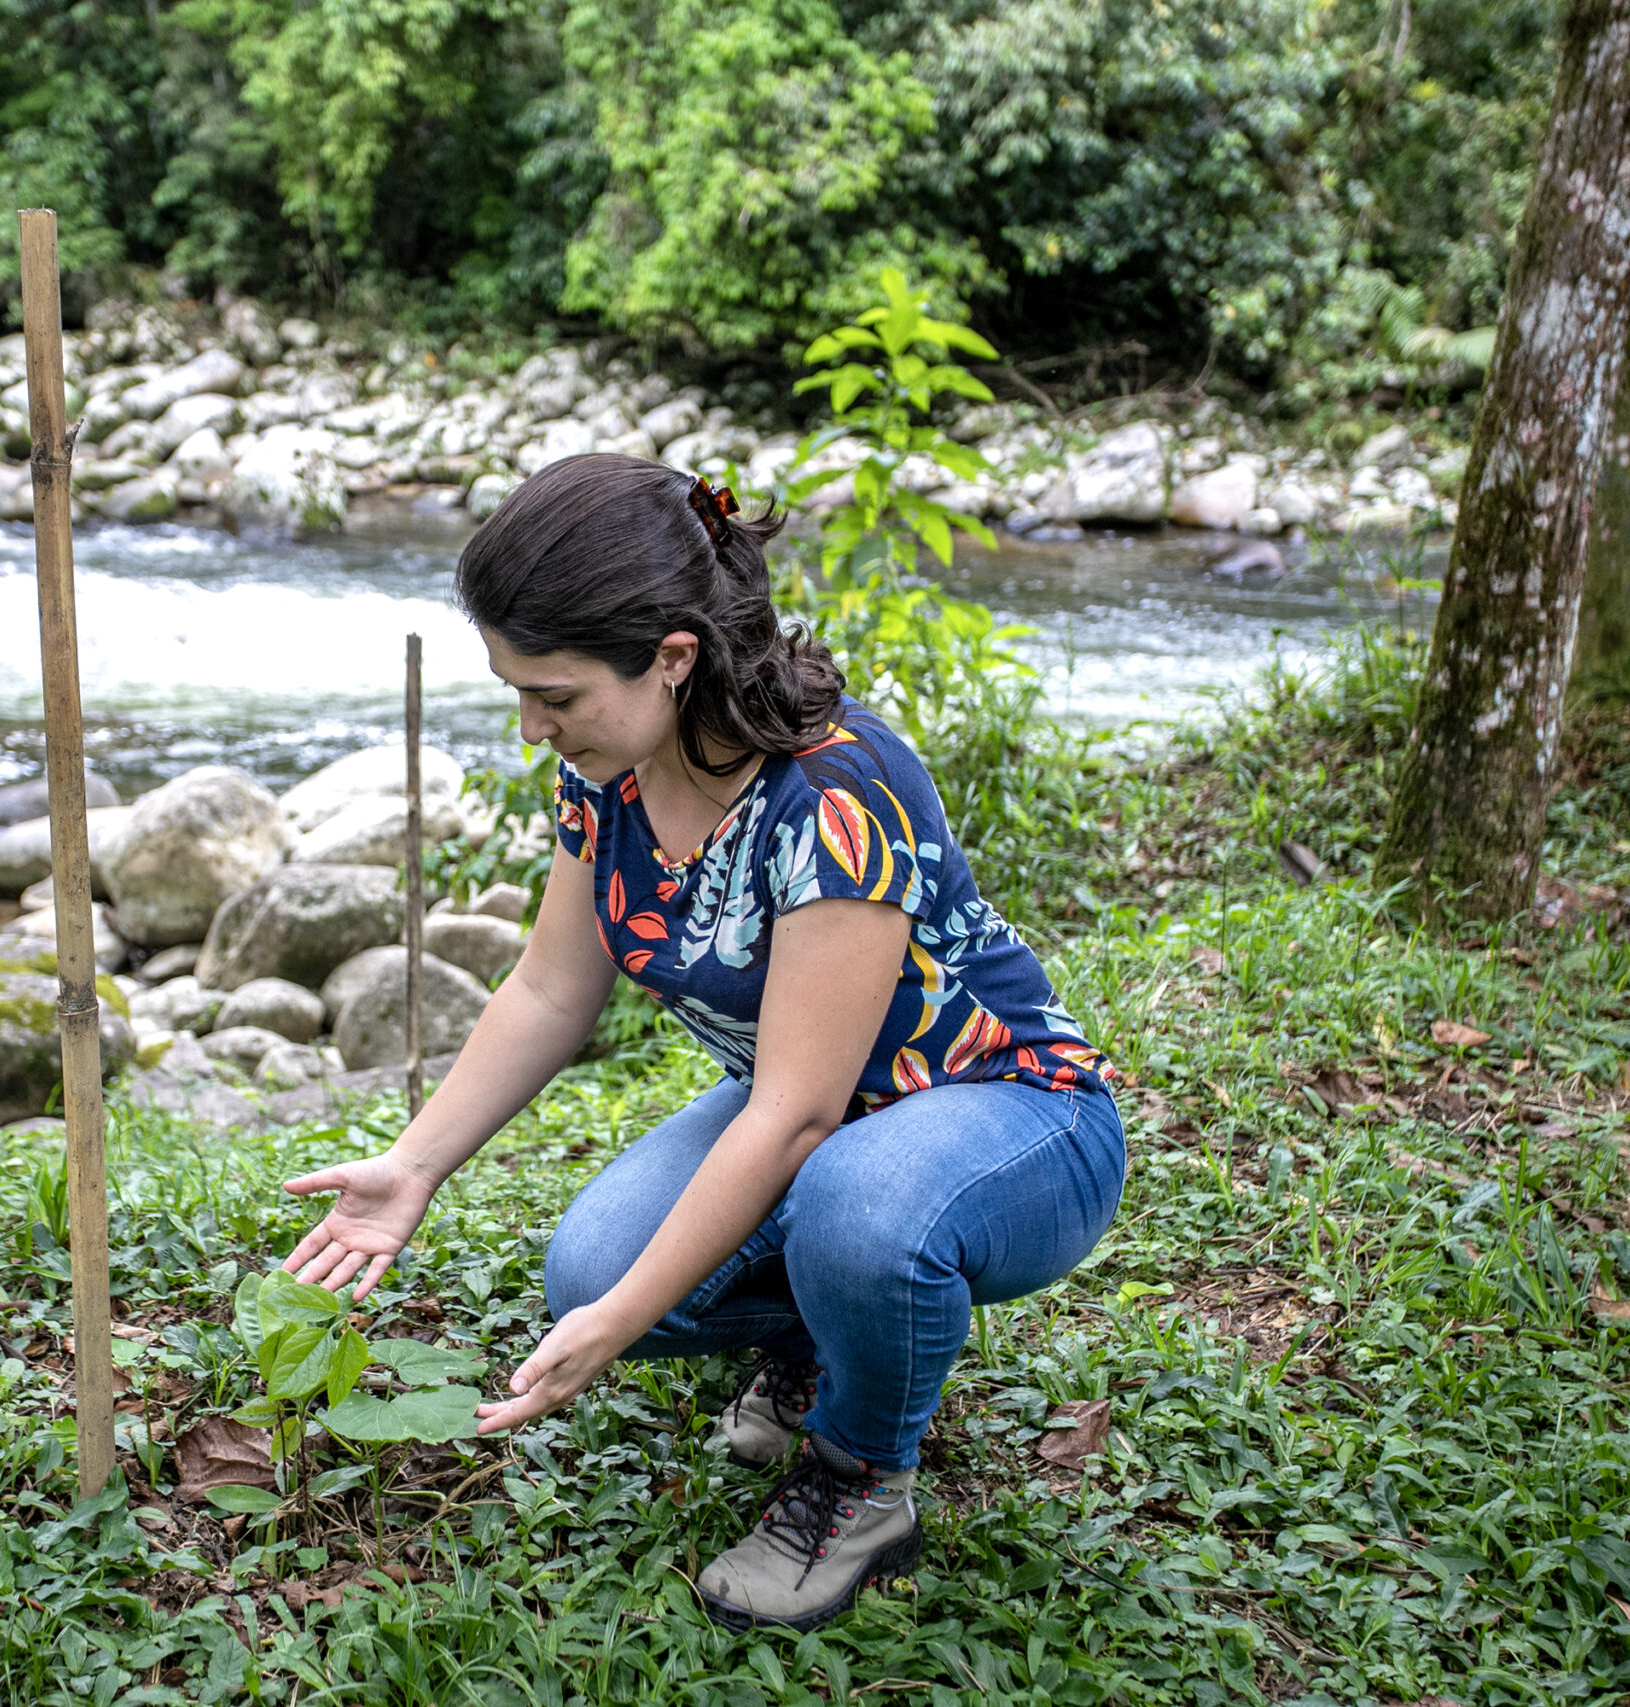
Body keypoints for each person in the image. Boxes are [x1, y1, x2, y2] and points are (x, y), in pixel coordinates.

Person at [278, 454, 1126, 1632]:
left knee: (853, 1213)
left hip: (1015, 1116)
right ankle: (823, 1338)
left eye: (555, 695)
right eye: (515, 691)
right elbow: (548, 991)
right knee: (590, 1271)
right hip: (827, 1116)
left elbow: (793, 1114)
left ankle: (859, 1478)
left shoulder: (832, 794)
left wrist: (623, 1323)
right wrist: (414, 1166)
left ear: (673, 656)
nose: (532, 727)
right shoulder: (610, 777)